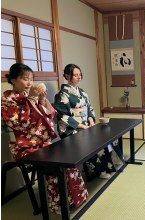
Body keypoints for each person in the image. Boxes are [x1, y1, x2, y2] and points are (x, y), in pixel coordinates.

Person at [1, 63, 88, 214]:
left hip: (44, 143)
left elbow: (51, 114)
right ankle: (60, 204)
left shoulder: (30, 96)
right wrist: (32, 99)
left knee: (68, 160)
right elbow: (20, 123)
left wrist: (41, 100)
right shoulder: (8, 99)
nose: (29, 82)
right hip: (25, 146)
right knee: (55, 165)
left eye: (31, 79)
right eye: (25, 79)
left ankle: (76, 198)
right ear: (13, 80)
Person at [54, 64, 116, 180]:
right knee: (90, 143)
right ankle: (99, 171)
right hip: (71, 129)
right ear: (67, 76)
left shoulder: (82, 92)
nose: (79, 77)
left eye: (80, 75)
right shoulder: (62, 94)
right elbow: (62, 115)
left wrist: (91, 120)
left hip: (85, 125)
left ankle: (107, 166)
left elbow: (89, 108)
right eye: (75, 75)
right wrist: (81, 126)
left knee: (104, 140)